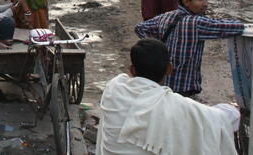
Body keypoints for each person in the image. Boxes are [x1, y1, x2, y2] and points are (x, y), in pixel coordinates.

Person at [96, 38, 240, 155]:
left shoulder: (114, 89)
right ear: (169, 69)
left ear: (132, 70)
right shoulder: (176, 106)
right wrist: (233, 108)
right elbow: (221, 118)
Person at [135, 0, 244, 97]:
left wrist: (157, 47)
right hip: (183, 88)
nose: (205, 3)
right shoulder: (197, 22)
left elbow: (140, 28)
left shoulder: (167, 16)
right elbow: (232, 27)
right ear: (186, 1)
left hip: (162, 83)